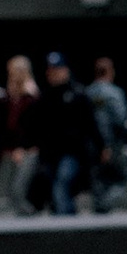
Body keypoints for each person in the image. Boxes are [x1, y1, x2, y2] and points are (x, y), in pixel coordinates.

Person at [32, 51, 100, 216]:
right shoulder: (45, 97)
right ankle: (66, 220)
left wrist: (101, 145)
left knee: (62, 184)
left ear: (65, 70)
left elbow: (90, 123)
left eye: (57, 70)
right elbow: (39, 126)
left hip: (72, 152)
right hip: (50, 153)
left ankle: (65, 226)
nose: (53, 74)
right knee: (56, 187)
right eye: (50, 70)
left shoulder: (77, 94)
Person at [0, 56, 42, 211]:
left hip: (27, 149)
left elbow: (32, 126)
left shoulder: (31, 95)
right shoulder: (8, 96)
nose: (11, 75)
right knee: (10, 191)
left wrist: (22, 147)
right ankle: (22, 223)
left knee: (18, 189)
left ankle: (31, 218)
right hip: (9, 148)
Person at [84, 55, 127, 215]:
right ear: (110, 71)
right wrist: (110, 144)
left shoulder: (87, 93)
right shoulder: (114, 93)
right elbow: (120, 119)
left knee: (98, 183)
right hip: (113, 146)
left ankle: (100, 221)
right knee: (124, 183)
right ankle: (104, 207)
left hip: (92, 146)